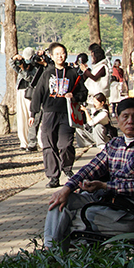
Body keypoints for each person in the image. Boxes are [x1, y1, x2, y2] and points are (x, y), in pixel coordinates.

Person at [43, 98, 134, 249]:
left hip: (128, 212)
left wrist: (105, 186)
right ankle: (49, 252)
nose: (130, 121)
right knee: (58, 202)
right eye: (125, 116)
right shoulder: (114, 144)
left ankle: (54, 257)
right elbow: (90, 168)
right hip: (106, 202)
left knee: (67, 221)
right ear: (117, 118)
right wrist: (66, 188)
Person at [30, 43, 88, 188]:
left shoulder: (73, 73)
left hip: (66, 113)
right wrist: (33, 113)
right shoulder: (47, 72)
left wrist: (74, 95)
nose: (60, 56)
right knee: (48, 144)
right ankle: (53, 176)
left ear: (66, 54)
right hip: (49, 112)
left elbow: (84, 92)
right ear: (51, 56)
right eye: (57, 54)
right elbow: (38, 93)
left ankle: (67, 168)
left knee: (66, 144)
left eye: (62, 53)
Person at [11, 47, 42, 151]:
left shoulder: (37, 66)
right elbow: (12, 66)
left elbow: (30, 79)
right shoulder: (21, 64)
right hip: (21, 92)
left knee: (32, 117)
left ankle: (34, 141)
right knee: (21, 118)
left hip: (31, 93)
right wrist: (14, 58)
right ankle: (23, 142)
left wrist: (24, 70)